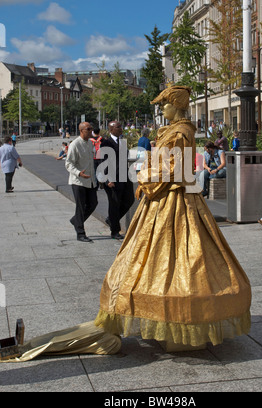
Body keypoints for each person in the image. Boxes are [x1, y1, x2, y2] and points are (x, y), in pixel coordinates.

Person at [94, 85, 251, 351]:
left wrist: (144, 178)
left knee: (182, 254)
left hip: (174, 197)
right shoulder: (175, 130)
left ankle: (180, 321)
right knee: (162, 252)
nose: (161, 109)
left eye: (164, 104)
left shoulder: (180, 132)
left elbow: (173, 168)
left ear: (176, 105)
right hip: (169, 196)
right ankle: (168, 318)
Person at [99, 121, 134, 240]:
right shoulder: (105, 143)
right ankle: (115, 231)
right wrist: (108, 179)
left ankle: (112, 219)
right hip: (112, 179)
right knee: (114, 204)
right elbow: (103, 162)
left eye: (121, 126)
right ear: (111, 129)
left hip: (124, 176)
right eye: (118, 127)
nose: (121, 129)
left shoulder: (123, 142)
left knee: (129, 200)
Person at [65, 122, 98, 243]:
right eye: (88, 129)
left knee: (93, 203)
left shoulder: (90, 143)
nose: (91, 131)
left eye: (91, 128)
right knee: (80, 206)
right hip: (78, 181)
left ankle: (76, 220)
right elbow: (68, 164)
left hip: (90, 180)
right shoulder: (75, 144)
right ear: (81, 130)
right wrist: (79, 173)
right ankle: (80, 233)